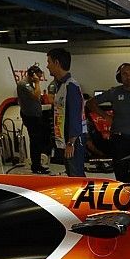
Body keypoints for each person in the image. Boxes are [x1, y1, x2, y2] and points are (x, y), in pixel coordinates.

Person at [46, 48, 86, 177]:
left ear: (57, 63)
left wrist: (71, 142)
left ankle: (83, 197)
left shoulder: (71, 86)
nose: (47, 66)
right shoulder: (60, 85)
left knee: (76, 175)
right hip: (67, 140)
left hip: (73, 141)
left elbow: (75, 116)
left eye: (49, 62)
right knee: (71, 174)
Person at [17, 64, 51, 174]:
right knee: (35, 141)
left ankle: (37, 164)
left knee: (38, 141)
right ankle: (36, 166)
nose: (39, 80)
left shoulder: (30, 84)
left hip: (35, 116)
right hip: (30, 117)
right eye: (38, 77)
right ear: (33, 75)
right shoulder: (24, 84)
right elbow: (36, 96)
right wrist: (37, 83)